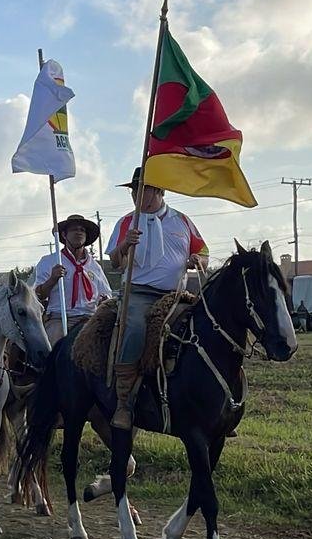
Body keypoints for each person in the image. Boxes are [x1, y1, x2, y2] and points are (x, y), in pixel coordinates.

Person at [106, 169, 209, 428]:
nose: (136, 194)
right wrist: (124, 246)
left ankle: (211, 400)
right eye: (133, 190)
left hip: (177, 294)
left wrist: (199, 260)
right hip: (139, 292)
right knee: (136, 329)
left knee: (206, 329)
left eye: (142, 189)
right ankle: (124, 403)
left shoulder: (182, 220)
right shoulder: (126, 222)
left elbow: (203, 250)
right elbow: (116, 264)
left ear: (158, 191)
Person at [34, 215, 111, 346]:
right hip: (60, 318)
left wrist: (104, 300)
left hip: (90, 318)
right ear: (64, 235)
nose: (79, 232)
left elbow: (106, 294)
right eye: (74, 229)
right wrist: (52, 279)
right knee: (53, 346)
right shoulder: (49, 262)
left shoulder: (95, 267)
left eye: (82, 230)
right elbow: (38, 295)